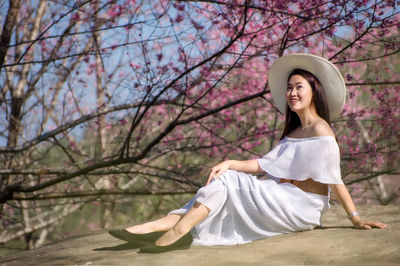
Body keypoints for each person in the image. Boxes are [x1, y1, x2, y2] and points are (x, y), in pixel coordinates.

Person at [109, 53, 386, 253]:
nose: (292, 93)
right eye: (289, 88)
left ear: (314, 91)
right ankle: (164, 224)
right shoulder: (295, 131)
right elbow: (265, 165)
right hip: (283, 198)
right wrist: (229, 162)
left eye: (298, 87)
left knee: (230, 181)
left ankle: (179, 230)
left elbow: (334, 180)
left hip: (301, 207)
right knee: (227, 176)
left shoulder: (321, 130)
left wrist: (356, 218)